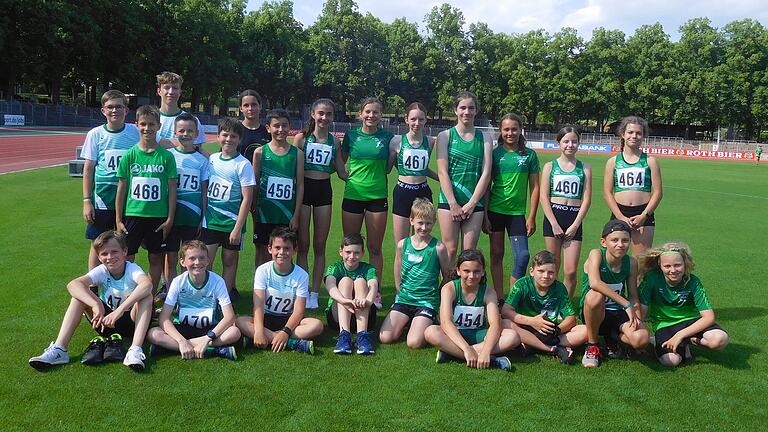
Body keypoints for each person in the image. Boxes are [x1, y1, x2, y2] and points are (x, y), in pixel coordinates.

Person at [29, 231, 153, 371]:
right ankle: (59, 349)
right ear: (99, 257)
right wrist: (96, 304)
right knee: (78, 297)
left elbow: (147, 285)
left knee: (146, 297)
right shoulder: (102, 270)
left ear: (124, 252)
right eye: (104, 253)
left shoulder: (131, 269)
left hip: (132, 323)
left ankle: (135, 350)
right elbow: (73, 284)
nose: (110, 257)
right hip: (104, 323)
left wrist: (119, 311)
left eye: (114, 251)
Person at [115, 105, 178, 295]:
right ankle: (126, 294)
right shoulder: (130, 155)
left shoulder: (167, 157)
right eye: (143, 124)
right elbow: (122, 188)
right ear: (136, 125)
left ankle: (148, 296)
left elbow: (173, 189)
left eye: (151, 124)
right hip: (133, 214)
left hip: (158, 216)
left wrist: (170, 219)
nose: (147, 128)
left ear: (158, 126)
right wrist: (118, 219)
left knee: (156, 257)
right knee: (128, 257)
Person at [424, 249, 519, 371]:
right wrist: (466, 349)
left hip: (480, 335)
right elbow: (446, 322)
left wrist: (486, 351)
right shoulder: (449, 288)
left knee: (512, 337)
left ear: (483, 271)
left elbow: (495, 324)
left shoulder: (488, 292)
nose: (472, 276)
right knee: (430, 332)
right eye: (466, 271)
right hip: (456, 334)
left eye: (476, 271)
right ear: (458, 271)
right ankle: (493, 360)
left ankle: (451, 353)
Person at [638, 243, 729, 367]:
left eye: (677, 265)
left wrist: (680, 335)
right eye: (667, 266)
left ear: (684, 263)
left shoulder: (693, 281)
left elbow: (709, 317)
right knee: (670, 361)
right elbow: (642, 310)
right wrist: (640, 339)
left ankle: (685, 340)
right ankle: (655, 342)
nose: (673, 270)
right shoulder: (651, 279)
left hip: (691, 321)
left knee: (719, 340)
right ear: (660, 265)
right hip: (665, 324)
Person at [146, 240, 240, 360]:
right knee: (153, 333)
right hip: (183, 328)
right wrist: (181, 340)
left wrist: (207, 338)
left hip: (209, 330)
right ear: (183, 262)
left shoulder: (217, 281)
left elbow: (229, 316)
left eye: (201, 258)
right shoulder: (178, 282)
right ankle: (214, 351)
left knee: (234, 332)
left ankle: (170, 348)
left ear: (208, 260)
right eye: (192, 258)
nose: (197, 262)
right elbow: (164, 317)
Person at [293, 98, 346, 309]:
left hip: (324, 191)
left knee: (320, 246)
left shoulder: (335, 142)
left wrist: (365, 177)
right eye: (321, 113)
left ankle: (315, 292)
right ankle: (303, 291)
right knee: (303, 246)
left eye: (329, 114)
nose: (324, 118)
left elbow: (341, 170)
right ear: (313, 114)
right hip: (304, 192)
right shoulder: (301, 139)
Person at [236, 227, 323, 354]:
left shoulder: (301, 275)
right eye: (277, 248)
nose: (282, 252)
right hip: (266, 318)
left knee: (317, 325)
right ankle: (291, 343)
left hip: (289, 320)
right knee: (239, 321)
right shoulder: (262, 270)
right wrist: (259, 330)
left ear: (295, 250)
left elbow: (299, 311)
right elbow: (258, 305)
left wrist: (285, 332)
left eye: (287, 248)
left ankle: (263, 339)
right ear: (270, 249)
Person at [379, 199, 451, 348]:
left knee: (414, 342)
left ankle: (427, 320)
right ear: (411, 221)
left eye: (428, 223)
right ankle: (412, 321)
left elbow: (447, 275)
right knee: (385, 337)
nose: (424, 227)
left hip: (426, 301)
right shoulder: (402, 245)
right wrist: (399, 290)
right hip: (404, 298)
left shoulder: (438, 248)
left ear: (434, 222)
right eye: (420, 223)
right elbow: (397, 266)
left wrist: (437, 296)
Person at [339, 97, 394, 295]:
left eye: (375, 112)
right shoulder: (351, 136)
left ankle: (374, 291)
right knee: (350, 245)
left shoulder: (388, 137)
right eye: (367, 112)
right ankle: (349, 288)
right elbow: (340, 158)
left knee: (374, 247)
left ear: (381, 115)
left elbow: (389, 167)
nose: (371, 115)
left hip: (377, 197)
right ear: (360, 114)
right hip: (353, 195)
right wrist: (342, 174)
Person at [81, 90, 140, 270]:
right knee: (98, 244)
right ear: (103, 110)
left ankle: (124, 286)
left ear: (126, 109)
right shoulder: (95, 134)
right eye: (110, 107)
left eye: (119, 107)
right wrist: (87, 201)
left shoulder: (135, 132)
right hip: (103, 198)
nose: (115, 110)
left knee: (126, 246)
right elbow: (89, 168)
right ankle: (93, 287)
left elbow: (161, 142)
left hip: (129, 200)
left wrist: (193, 148)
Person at [484, 113, 540, 301]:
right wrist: (484, 215)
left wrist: (531, 216)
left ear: (520, 130)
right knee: (496, 254)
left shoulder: (529, 155)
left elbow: (535, 187)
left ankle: (513, 299)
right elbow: (486, 186)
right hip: (495, 211)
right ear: (501, 131)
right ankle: (500, 298)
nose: (510, 133)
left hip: (517, 214)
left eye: (514, 129)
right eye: (506, 129)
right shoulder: (494, 154)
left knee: (523, 255)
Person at [579, 220, 650, 368]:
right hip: (595, 311)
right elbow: (595, 283)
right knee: (595, 295)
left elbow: (633, 295)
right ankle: (592, 346)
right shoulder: (596, 254)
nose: (620, 244)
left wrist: (637, 319)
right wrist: (626, 304)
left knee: (641, 339)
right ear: (604, 242)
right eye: (614, 240)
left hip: (617, 312)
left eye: (625, 240)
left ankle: (612, 338)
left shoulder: (631, 262)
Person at [201, 118, 255, 301]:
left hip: (232, 223)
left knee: (229, 261)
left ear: (239, 139)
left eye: (233, 136)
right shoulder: (213, 160)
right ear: (218, 136)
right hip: (211, 220)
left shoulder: (243, 164)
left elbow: (247, 198)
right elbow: (206, 189)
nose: (228, 139)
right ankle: (206, 296)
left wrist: (238, 228)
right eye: (225, 135)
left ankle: (223, 300)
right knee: (205, 261)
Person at [436, 91, 493, 264]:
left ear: (476, 111)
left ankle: (466, 291)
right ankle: (446, 289)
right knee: (450, 250)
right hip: (449, 201)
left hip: (474, 203)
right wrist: (453, 203)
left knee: (469, 253)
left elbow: (486, 174)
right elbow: (442, 171)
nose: (466, 112)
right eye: (462, 108)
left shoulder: (485, 137)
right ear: (455, 110)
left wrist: (472, 203)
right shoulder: (445, 136)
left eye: (471, 108)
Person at [501, 250, 587, 365]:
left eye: (551, 272)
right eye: (541, 271)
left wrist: (556, 331)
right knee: (505, 323)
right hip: (527, 327)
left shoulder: (559, 288)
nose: (546, 276)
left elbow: (571, 318)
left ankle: (531, 345)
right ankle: (554, 349)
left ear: (556, 273)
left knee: (586, 331)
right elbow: (505, 311)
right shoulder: (522, 284)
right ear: (532, 271)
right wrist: (532, 321)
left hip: (551, 331)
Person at [159, 113, 209, 302]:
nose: (185, 134)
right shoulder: (168, 156)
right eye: (181, 130)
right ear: (175, 132)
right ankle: (171, 295)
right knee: (170, 258)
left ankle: (186, 294)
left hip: (192, 218)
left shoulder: (202, 160)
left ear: (196, 133)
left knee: (188, 259)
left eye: (190, 131)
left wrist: (202, 218)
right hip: (171, 218)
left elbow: (204, 192)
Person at [540, 126, 592, 297]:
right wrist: (553, 223)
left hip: (573, 219)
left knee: (570, 271)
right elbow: (544, 197)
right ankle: (551, 301)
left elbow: (586, 199)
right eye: (566, 141)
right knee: (552, 266)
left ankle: (566, 305)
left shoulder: (584, 168)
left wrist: (576, 225)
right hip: (553, 216)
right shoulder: (550, 166)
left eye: (574, 141)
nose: (570, 145)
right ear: (559, 143)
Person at [252, 109, 304, 268]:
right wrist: (254, 210)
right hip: (264, 213)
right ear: (268, 128)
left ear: (290, 127)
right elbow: (254, 184)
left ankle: (285, 288)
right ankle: (260, 288)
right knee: (262, 250)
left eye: (284, 125)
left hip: (286, 214)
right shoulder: (260, 152)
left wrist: (296, 215)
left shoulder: (297, 154)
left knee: (287, 250)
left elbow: (300, 185)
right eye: (276, 126)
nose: (280, 129)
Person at [603, 116, 662, 255]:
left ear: (643, 136)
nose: (634, 136)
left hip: (643, 214)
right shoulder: (612, 162)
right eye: (630, 132)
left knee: (640, 263)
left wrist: (644, 215)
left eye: (638, 133)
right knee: (615, 259)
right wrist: (620, 217)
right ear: (623, 134)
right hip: (619, 213)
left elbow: (658, 192)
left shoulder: (650, 161)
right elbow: (607, 193)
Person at [387, 102, 438, 244]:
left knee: (423, 241)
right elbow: (388, 169)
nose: (417, 123)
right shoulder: (396, 141)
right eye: (413, 119)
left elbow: (423, 169)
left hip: (423, 193)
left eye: (421, 119)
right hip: (402, 192)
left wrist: (443, 179)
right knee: (401, 244)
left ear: (426, 120)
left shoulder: (430, 141)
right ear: (406, 119)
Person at [324, 233, 379, 355]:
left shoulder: (368, 268)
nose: (352, 256)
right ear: (341, 251)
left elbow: (373, 285)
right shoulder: (335, 267)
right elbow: (330, 285)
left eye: (356, 253)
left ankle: (362, 336)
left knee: (360, 281)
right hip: (338, 318)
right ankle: (344, 335)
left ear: (363, 253)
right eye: (348, 252)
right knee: (345, 281)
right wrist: (344, 301)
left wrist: (368, 300)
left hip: (365, 316)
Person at [155, 71, 205, 146]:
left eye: (175, 88)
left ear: (180, 92)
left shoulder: (192, 120)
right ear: (159, 91)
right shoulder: (150, 120)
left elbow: (195, 151)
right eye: (167, 88)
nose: (171, 92)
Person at [236, 89, 271, 163]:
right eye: (246, 105)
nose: (250, 108)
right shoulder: (234, 130)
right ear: (241, 108)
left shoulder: (268, 132)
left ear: (260, 106)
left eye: (254, 104)